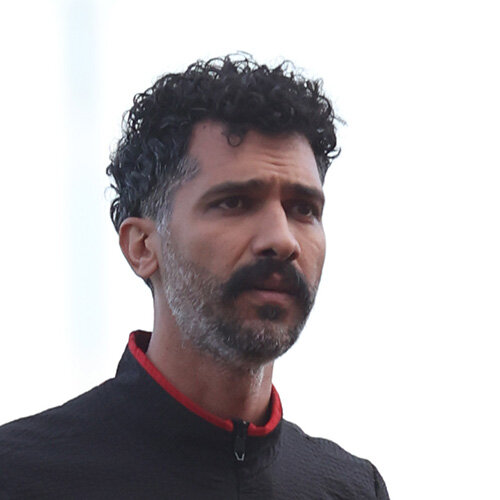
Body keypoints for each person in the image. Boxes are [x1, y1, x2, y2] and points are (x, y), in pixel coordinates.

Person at [0, 54, 389, 499]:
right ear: (143, 247)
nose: (282, 240)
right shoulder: (20, 475)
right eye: (235, 202)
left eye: (303, 209)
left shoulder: (351, 488)